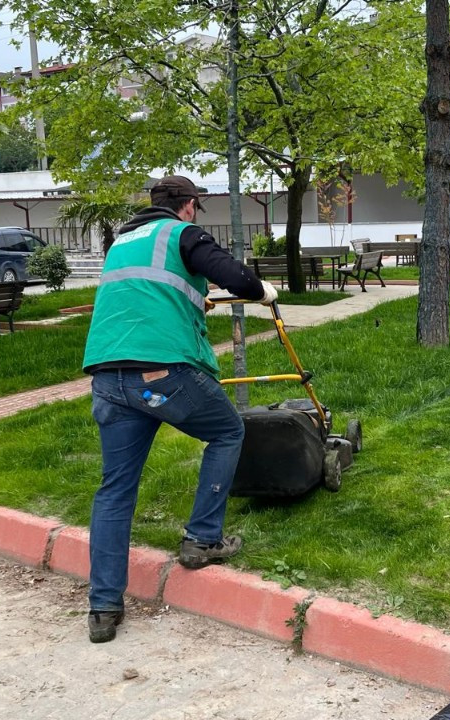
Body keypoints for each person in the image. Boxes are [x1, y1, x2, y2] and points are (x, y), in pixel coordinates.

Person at [81, 175, 278, 644]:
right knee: (228, 431)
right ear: (189, 206)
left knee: (115, 490)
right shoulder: (181, 233)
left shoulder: (120, 242)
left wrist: (194, 300)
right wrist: (261, 291)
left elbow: (144, 297)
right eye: (195, 208)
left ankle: (103, 608)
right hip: (162, 374)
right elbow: (236, 276)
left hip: (109, 377)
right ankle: (202, 538)